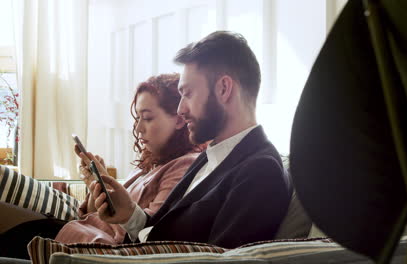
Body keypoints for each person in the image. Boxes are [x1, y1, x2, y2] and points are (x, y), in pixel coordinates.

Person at [90, 31, 291, 248]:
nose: (180, 109)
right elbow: (164, 233)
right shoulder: (209, 157)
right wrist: (129, 214)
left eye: (188, 94)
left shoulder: (260, 171)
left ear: (224, 89)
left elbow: (221, 259)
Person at [0, 73, 205, 258]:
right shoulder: (148, 164)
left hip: (87, 245)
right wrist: (95, 184)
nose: (139, 128)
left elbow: (152, 236)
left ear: (179, 120)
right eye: (138, 118)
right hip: (78, 231)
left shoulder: (184, 166)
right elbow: (93, 215)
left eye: (148, 118)